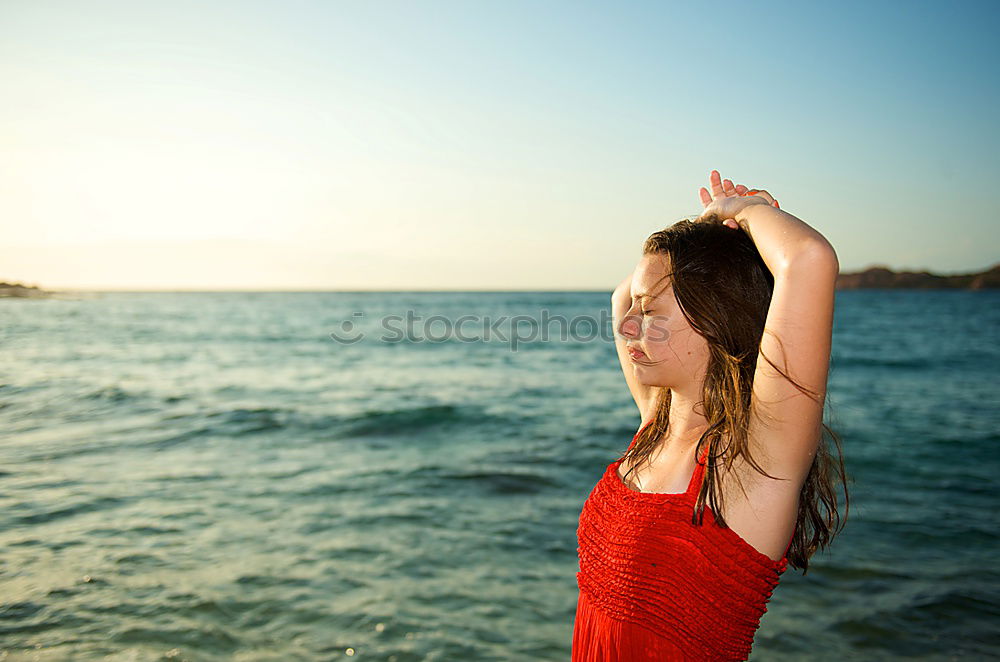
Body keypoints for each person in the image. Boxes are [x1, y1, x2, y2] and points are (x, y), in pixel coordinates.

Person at [572, 170, 849, 661]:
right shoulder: (654, 426)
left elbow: (808, 259)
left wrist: (743, 211)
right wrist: (704, 233)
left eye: (652, 311)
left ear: (715, 316)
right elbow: (622, 296)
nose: (628, 324)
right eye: (638, 307)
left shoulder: (754, 461)